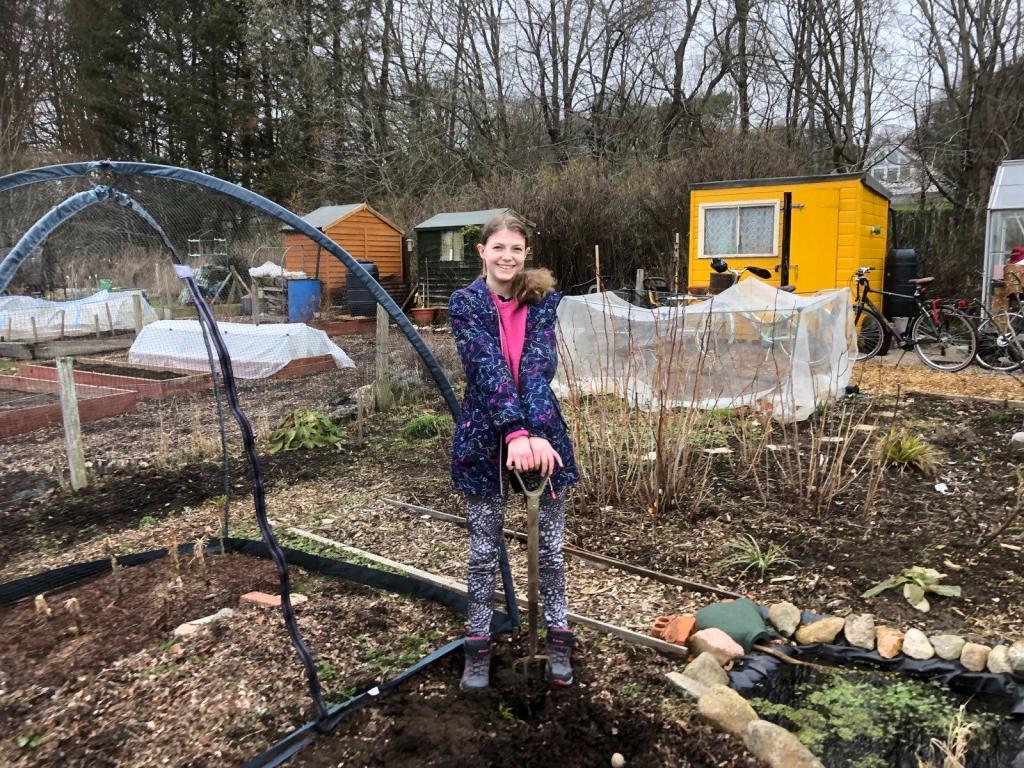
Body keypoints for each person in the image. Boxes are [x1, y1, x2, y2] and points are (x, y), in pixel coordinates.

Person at [448, 212, 578, 690]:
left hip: (542, 440)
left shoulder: (540, 302)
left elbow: (538, 369)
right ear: (481, 251)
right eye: (498, 247)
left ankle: (559, 637)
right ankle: (478, 647)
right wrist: (514, 433)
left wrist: (537, 434)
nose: (507, 257)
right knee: (484, 550)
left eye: (516, 249)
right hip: (485, 440)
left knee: (551, 550)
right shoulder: (464, 303)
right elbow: (488, 370)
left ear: (526, 255)